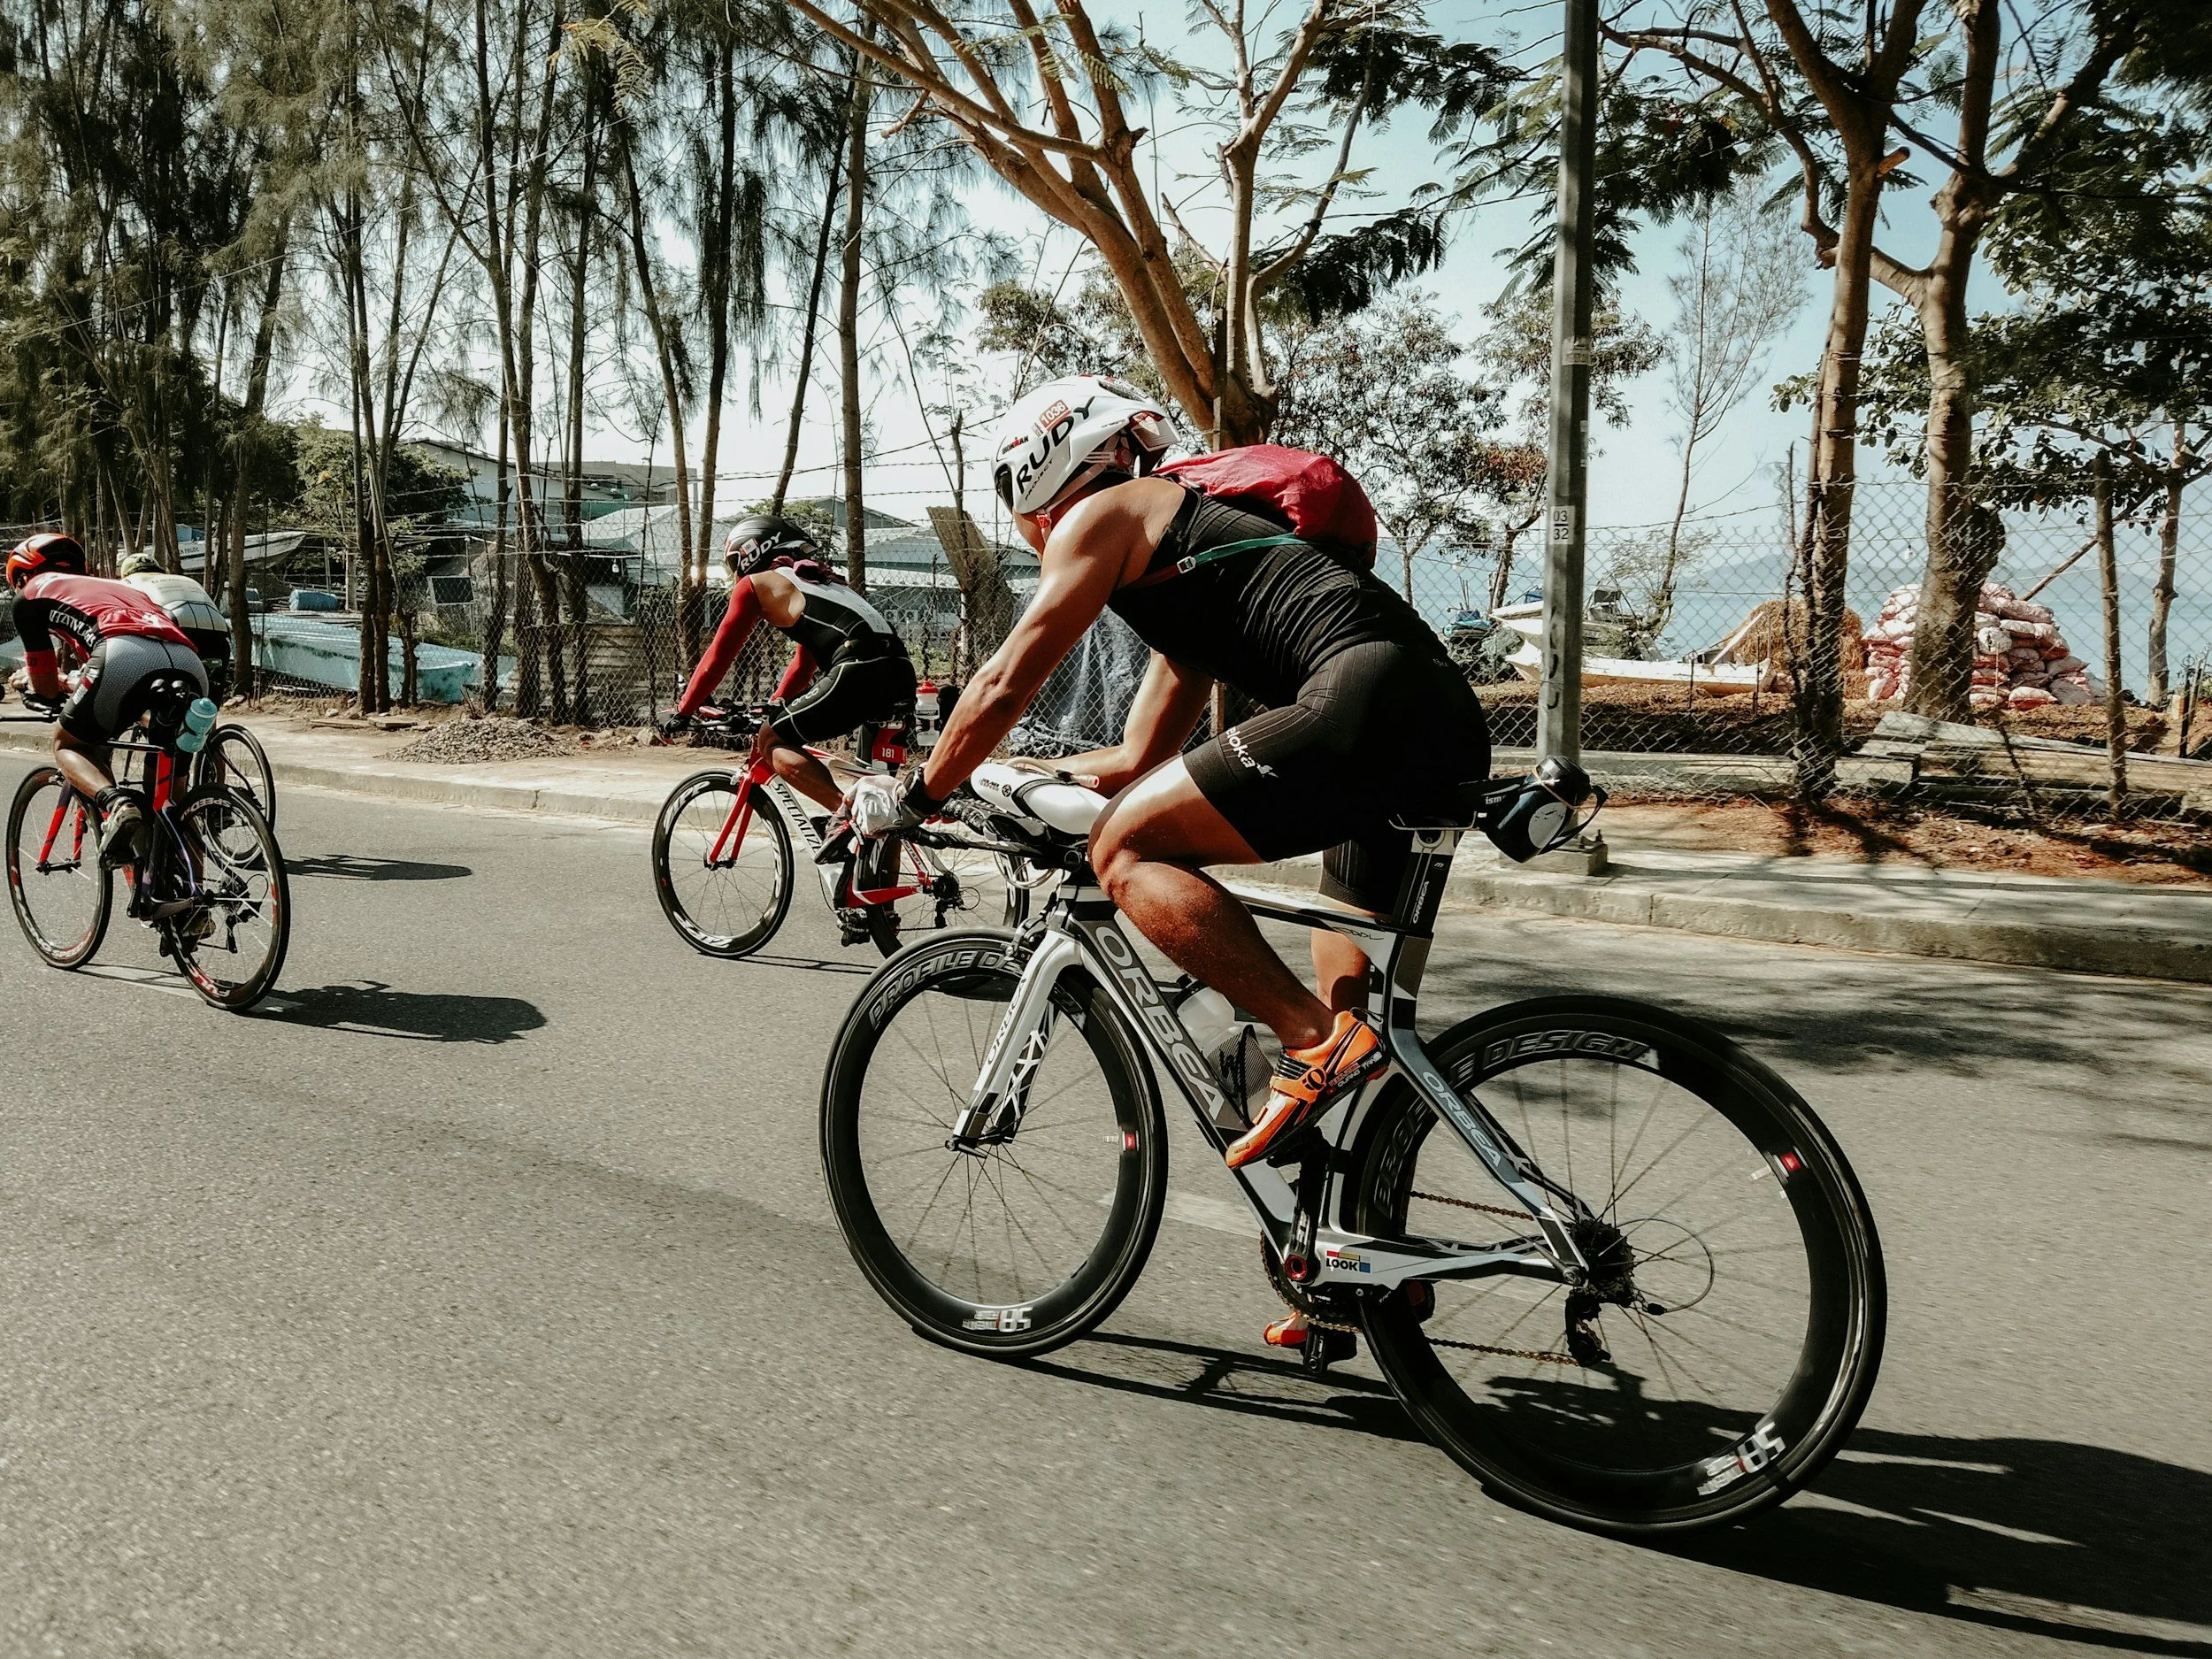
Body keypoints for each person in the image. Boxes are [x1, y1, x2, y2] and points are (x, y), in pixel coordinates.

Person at [847, 377, 1490, 1344]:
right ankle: (1355, 1273)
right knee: (1358, 1049)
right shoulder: (1189, 561)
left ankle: (1312, 1041)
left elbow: (1005, 677)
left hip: (1360, 705)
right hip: (1429, 726)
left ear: (1040, 475)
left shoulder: (1108, 511)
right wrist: (1030, 778)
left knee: (1130, 852)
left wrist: (920, 797)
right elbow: (1140, 760)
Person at [660, 514, 918, 813]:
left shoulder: (756, 584)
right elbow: (803, 664)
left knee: (771, 739)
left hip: (857, 671)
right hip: (900, 673)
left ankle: (846, 815)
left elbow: (718, 657)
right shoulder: (822, 584)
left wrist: (683, 710)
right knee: (880, 802)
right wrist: (778, 702)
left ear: (749, 552)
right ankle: (874, 831)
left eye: (734, 566)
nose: (735, 576)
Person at [4, 532, 210, 865]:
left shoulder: (29, 595)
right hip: (188, 662)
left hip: (121, 654)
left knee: (68, 744)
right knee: (172, 802)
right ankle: (190, 906)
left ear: (24, 575)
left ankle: (116, 804)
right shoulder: (118, 589)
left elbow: (46, 687)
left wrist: (35, 683)